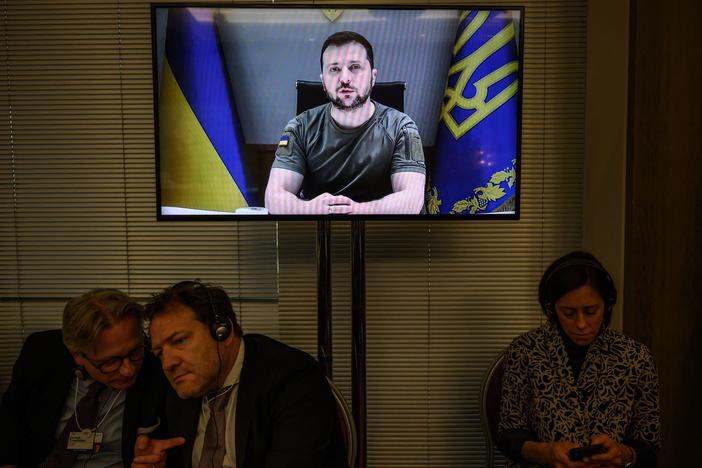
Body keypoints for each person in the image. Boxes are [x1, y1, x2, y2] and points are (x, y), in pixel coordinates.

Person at [132, 281, 347, 468]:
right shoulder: (181, 389)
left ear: (222, 332)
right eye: (160, 353)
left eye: (180, 341)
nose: (168, 363)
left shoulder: (293, 378)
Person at [497, 251, 661, 468]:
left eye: (591, 311)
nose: (581, 324)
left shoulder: (635, 357)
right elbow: (509, 435)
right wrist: (546, 453)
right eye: (569, 313)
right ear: (552, 310)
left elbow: (648, 446)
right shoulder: (526, 351)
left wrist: (623, 454)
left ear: (607, 305)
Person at [0, 289, 167, 468]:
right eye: (110, 361)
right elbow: (10, 423)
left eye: (135, 352)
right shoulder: (42, 354)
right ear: (77, 355)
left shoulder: (158, 366)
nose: (128, 370)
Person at [265, 31, 426, 215]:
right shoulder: (300, 128)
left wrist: (359, 211)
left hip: (380, 234)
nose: (345, 79)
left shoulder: (401, 128)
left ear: (373, 76)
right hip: (318, 232)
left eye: (355, 67)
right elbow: (274, 197)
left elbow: (413, 199)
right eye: (334, 69)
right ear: (323, 81)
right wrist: (310, 208)